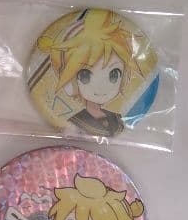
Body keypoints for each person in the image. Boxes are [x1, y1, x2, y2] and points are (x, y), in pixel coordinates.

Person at [35, 9, 150, 137]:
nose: (101, 86)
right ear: (69, 84)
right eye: (85, 76)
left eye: (114, 74)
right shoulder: (75, 122)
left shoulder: (118, 119)